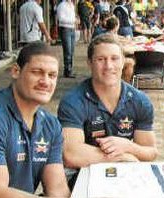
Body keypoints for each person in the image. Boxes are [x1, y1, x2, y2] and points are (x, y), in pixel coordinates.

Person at [58, 33, 158, 188]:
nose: (108, 66)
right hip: (84, 176)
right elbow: (71, 155)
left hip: (126, 177)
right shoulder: (73, 101)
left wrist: (128, 146)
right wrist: (123, 157)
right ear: (89, 63)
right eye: (101, 59)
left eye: (114, 58)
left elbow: (150, 152)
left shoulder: (140, 101)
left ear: (123, 61)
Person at [0, 42, 70, 197]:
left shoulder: (51, 125)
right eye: (37, 72)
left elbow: (57, 188)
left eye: (52, 75)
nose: (45, 81)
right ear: (16, 71)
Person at [57, 0, 77, 78]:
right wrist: (73, 21)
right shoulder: (61, 5)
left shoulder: (71, 5)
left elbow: (72, 16)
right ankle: (67, 71)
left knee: (71, 51)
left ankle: (69, 70)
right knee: (67, 51)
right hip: (65, 29)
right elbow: (61, 19)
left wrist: (74, 21)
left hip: (72, 28)